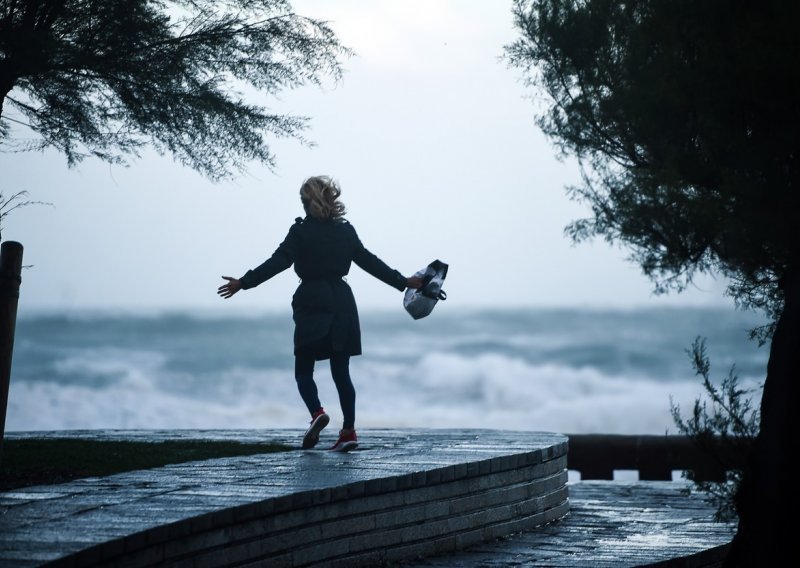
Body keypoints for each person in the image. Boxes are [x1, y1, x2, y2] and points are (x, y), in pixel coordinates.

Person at [217, 176, 423, 452]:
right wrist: (403, 282)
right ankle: (349, 431)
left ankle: (317, 414)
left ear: (306, 202)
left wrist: (244, 282)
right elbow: (369, 262)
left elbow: (278, 262)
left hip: (312, 302)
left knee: (304, 370)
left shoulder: (300, 232)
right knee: (341, 372)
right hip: (342, 302)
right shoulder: (345, 231)